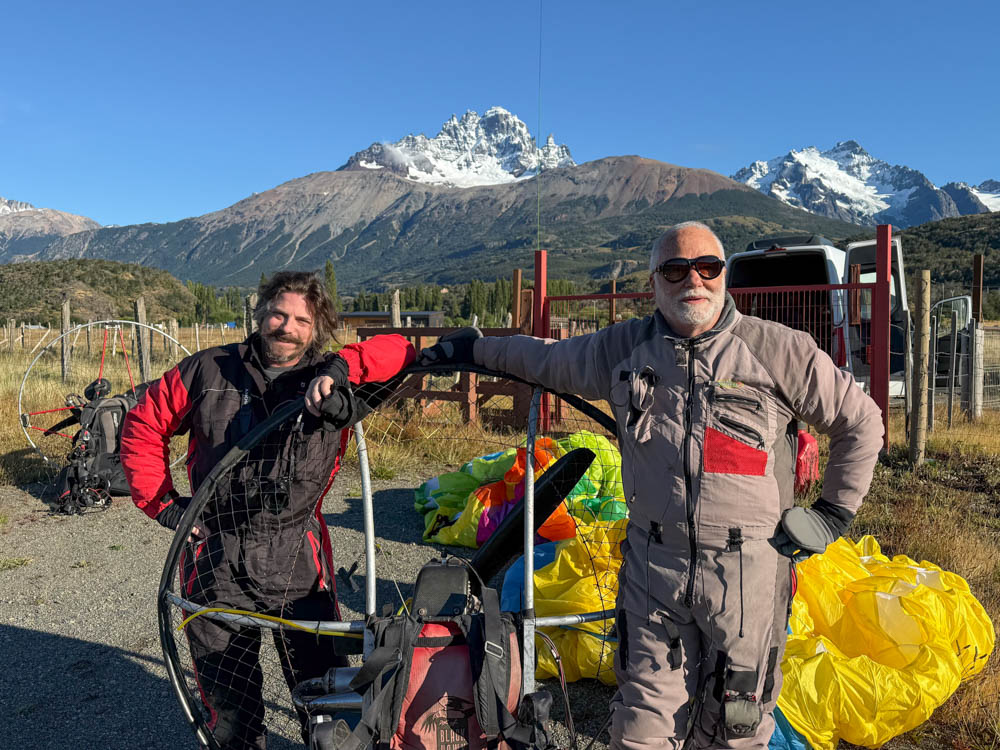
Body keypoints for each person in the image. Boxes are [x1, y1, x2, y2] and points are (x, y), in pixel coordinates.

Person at [420, 222, 883, 749]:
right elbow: (544, 358)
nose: (694, 281)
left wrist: (832, 513)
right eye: (676, 269)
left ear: (724, 275)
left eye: (708, 267)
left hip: (750, 575)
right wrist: (477, 349)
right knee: (641, 727)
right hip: (652, 570)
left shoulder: (778, 351)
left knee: (737, 727)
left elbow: (861, 422)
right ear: (654, 282)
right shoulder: (623, 349)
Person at [120, 271, 415, 749]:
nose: (287, 327)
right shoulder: (207, 369)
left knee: (327, 698)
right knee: (230, 706)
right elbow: (142, 423)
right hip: (215, 559)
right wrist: (166, 505)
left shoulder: (330, 379)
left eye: (302, 320)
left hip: (299, 559)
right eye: (279, 314)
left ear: (317, 329)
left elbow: (402, 350)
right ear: (260, 313)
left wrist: (340, 370)